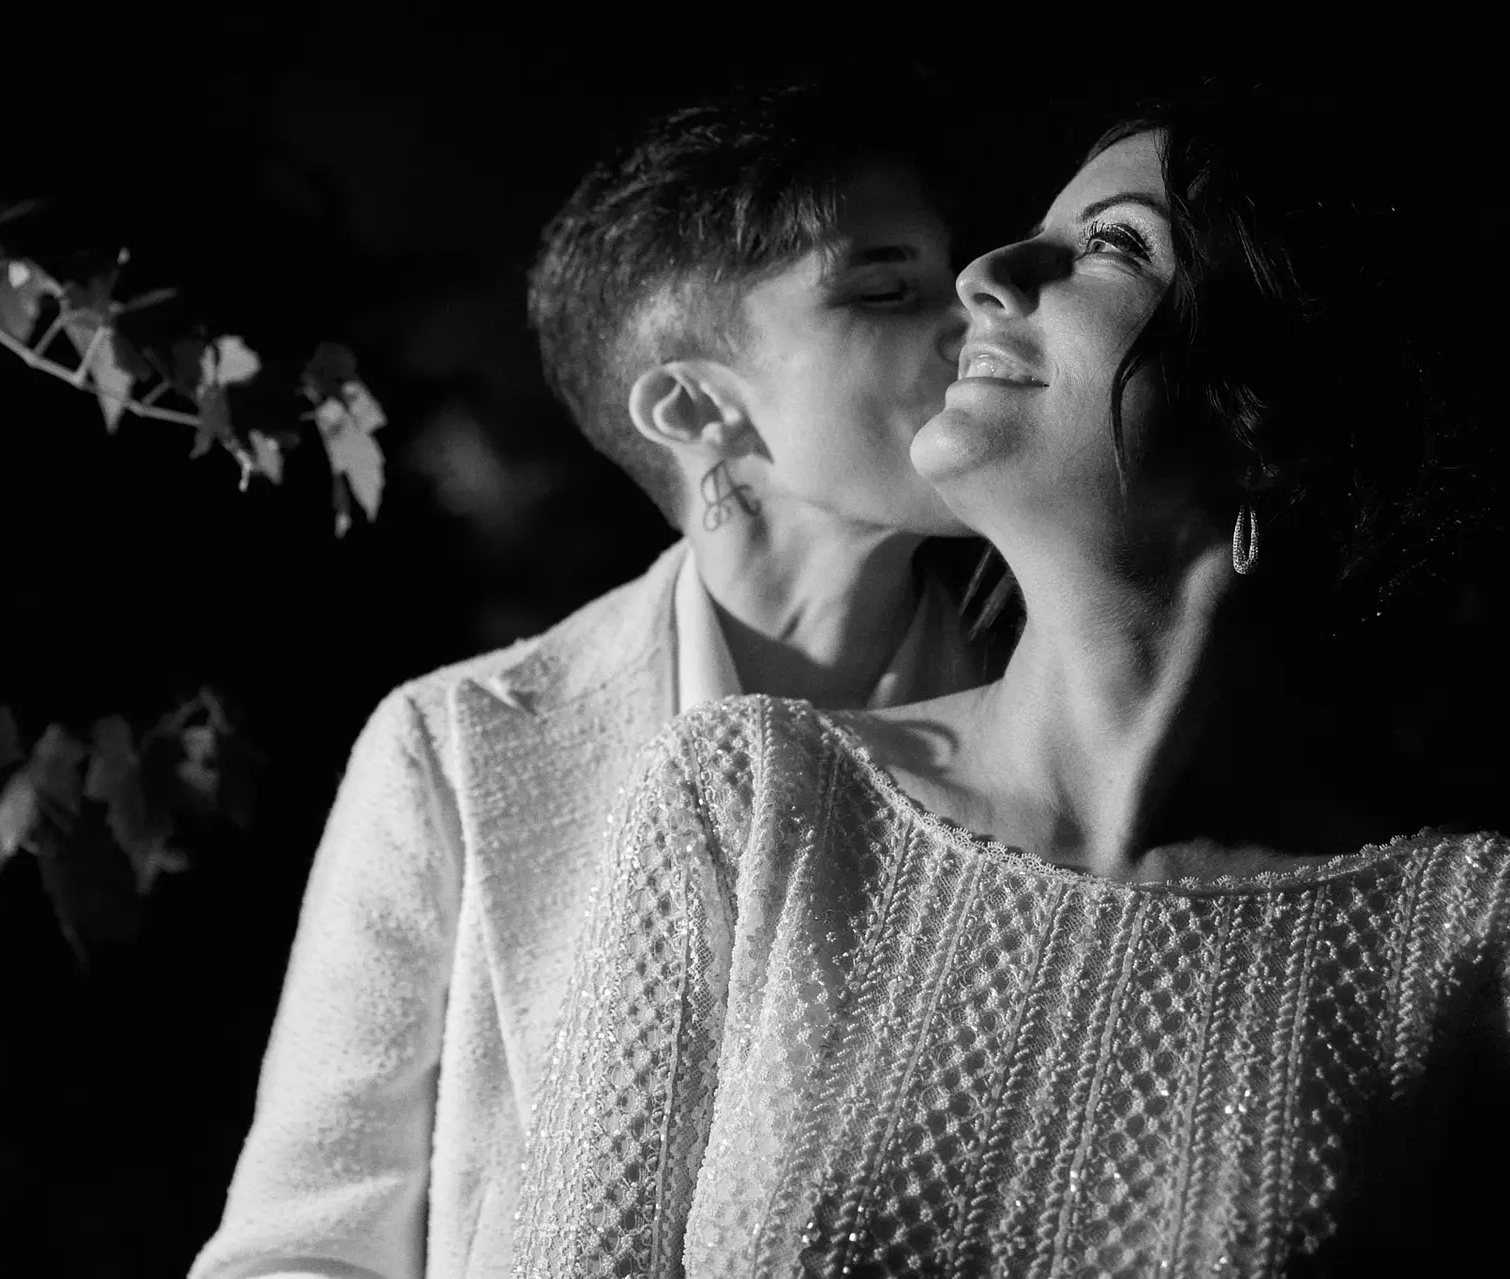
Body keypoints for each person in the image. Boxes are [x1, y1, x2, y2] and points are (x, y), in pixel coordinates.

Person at [512, 91, 1510, 1277]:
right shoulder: (756, 796)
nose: (986, 271)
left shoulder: (1464, 935)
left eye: (1116, 246)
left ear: (1271, 430)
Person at [188, 79, 998, 1279]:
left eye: (950, 269)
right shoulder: (453, 748)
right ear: (693, 406)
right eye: (886, 286)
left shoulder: (1053, 727)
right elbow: (297, 1250)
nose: (972, 321)